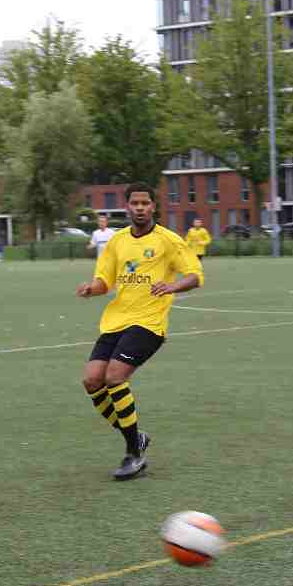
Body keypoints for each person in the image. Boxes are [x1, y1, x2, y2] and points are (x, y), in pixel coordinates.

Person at [77, 183, 204, 480]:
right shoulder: (117, 241)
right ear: (127, 207)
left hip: (149, 322)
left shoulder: (168, 240)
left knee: (114, 377)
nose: (140, 208)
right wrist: (91, 289)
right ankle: (136, 437)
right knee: (92, 380)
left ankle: (134, 454)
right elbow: (105, 281)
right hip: (116, 320)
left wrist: (172, 286)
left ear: (153, 206)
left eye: (145, 203)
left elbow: (195, 275)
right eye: (135, 203)